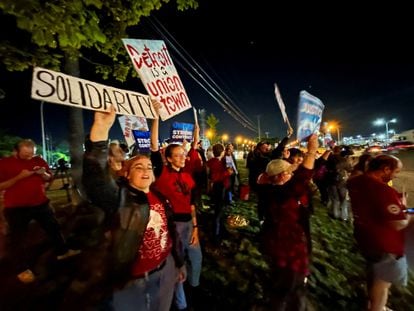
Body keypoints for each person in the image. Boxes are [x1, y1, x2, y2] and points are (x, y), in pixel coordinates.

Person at [82, 105, 186, 311]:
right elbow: (96, 181)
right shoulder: (119, 198)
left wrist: (178, 263)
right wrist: (101, 132)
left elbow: (171, 234)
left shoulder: (160, 198)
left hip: (165, 270)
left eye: (149, 167)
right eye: (138, 167)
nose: (146, 170)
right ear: (127, 175)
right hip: (131, 282)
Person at [0, 139, 80, 283]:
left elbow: (49, 178)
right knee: (18, 239)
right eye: (25, 155)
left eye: (32, 154)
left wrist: (43, 174)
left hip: (41, 204)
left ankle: (62, 251)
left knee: (54, 228)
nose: (30, 157)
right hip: (16, 208)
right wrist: (19, 177)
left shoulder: (39, 160)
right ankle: (21, 269)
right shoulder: (4, 163)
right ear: (15, 151)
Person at [149, 102, 202, 311]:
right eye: (178, 155)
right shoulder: (162, 174)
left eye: (184, 154)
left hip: (189, 225)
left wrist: (196, 228)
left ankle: (195, 289)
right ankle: (181, 303)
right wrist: (155, 116)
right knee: (177, 265)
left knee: (196, 260)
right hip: (172, 228)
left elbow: (191, 203)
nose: (183, 157)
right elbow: (154, 146)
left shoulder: (187, 175)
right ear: (168, 158)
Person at [257, 134, 318, 310]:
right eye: (289, 172)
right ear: (282, 175)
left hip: (279, 249)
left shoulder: (270, 190)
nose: (291, 174)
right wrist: (312, 151)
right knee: (288, 290)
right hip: (289, 252)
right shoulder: (282, 194)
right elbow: (303, 178)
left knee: (283, 286)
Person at [347, 154, 413, 311]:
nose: (395, 176)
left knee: (374, 273)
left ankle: (373, 303)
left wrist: (396, 201)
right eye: (396, 172)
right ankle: (378, 307)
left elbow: (372, 204)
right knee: (383, 282)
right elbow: (397, 223)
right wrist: (408, 215)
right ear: (385, 169)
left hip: (365, 237)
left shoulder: (356, 181)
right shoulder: (383, 190)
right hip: (385, 243)